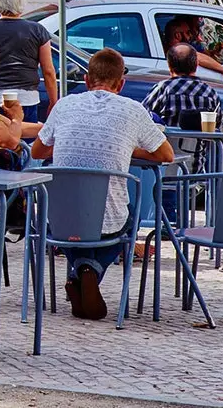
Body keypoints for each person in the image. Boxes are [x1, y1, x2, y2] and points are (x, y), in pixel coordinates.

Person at [31, 49, 174, 320]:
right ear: (121, 84)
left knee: (76, 225)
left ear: (86, 80)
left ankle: (81, 269)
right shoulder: (132, 109)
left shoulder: (63, 105)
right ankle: (90, 270)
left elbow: (37, 152)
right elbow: (165, 155)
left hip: (61, 221)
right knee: (129, 219)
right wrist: (126, 149)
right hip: (107, 221)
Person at [0, 0, 57, 120]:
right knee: (26, 139)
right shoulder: (37, 30)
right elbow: (48, 71)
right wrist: (53, 101)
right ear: (22, 2)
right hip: (26, 99)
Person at [140, 43, 222, 129]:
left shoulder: (163, 89)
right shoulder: (211, 93)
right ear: (196, 64)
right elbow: (217, 124)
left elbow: (142, 116)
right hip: (201, 142)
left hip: (169, 141)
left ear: (169, 65)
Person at [159, 15, 223, 82]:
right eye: (188, 32)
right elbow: (196, 56)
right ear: (178, 35)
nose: (190, 36)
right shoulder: (177, 51)